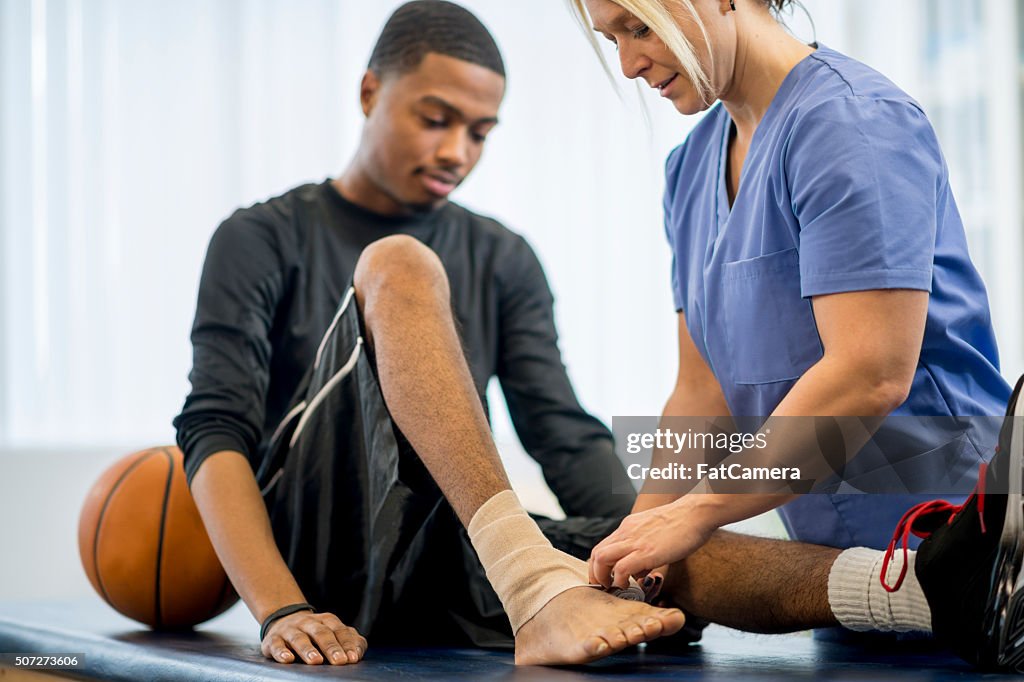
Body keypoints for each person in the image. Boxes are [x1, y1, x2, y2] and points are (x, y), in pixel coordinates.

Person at [173, 0, 690, 668]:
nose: (456, 152)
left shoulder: (503, 256)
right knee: (402, 264)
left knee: (693, 555)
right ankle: (531, 580)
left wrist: (637, 550)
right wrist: (281, 609)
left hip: (456, 550)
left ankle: (864, 594)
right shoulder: (261, 237)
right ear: (369, 92)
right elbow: (215, 428)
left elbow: (561, 431)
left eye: (479, 132)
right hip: (323, 557)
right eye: (435, 119)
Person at [571, 0, 1024, 671]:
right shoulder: (690, 169)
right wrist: (631, 552)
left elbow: (869, 372)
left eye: (640, 27)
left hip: (966, 552)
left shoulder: (851, 123)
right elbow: (702, 394)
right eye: (612, 38)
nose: (630, 64)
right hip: (840, 583)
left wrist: (699, 511)